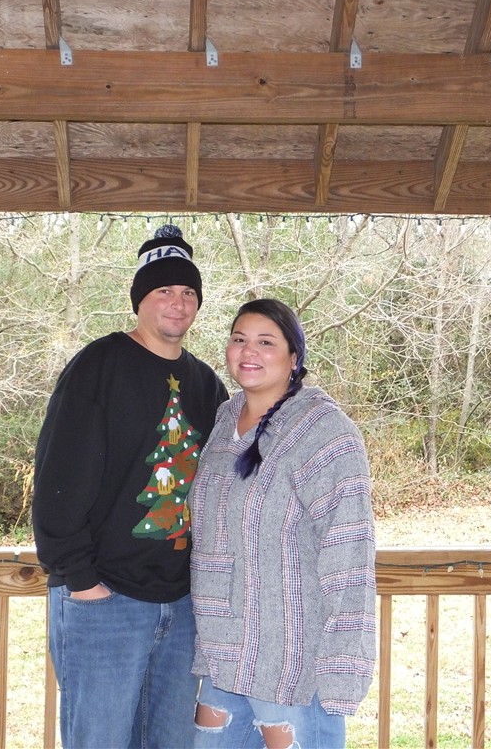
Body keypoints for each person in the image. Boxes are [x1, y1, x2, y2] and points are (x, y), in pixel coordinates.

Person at [32, 224, 229, 748]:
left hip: (183, 605)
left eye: (188, 292)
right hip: (105, 600)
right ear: (140, 299)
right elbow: (57, 479)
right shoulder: (99, 366)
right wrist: (81, 581)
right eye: (164, 290)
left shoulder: (207, 384)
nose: (178, 302)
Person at [190, 298, 376, 749]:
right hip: (222, 654)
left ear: (294, 358)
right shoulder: (224, 420)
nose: (249, 351)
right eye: (239, 339)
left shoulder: (324, 432)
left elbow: (349, 552)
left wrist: (343, 664)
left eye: (266, 342)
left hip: (288, 659)